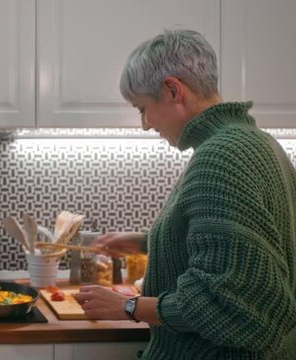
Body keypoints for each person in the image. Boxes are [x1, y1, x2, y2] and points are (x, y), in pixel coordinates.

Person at [74, 29, 296, 359]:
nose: (146, 124)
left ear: (173, 90)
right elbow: (241, 246)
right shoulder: (260, 143)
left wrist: (128, 306)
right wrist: (146, 241)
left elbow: (226, 303)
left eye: (142, 108)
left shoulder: (221, 158)